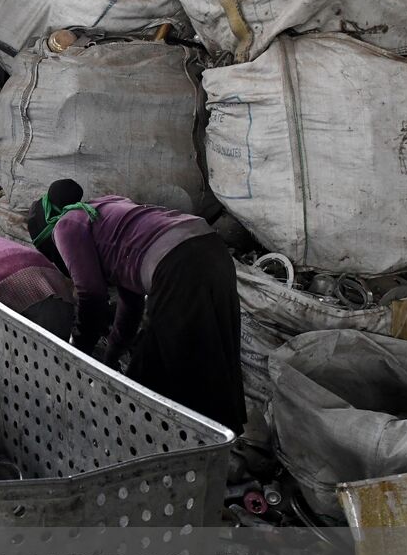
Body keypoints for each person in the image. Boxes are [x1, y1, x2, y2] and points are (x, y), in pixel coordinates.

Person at [28, 179, 245, 433]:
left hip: (179, 263)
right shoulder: (106, 209)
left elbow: (91, 293)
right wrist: (111, 355)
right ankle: (223, 439)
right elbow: (130, 305)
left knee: (155, 370)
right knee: (209, 351)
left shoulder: (66, 225)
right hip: (210, 248)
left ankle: (179, 441)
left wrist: (79, 351)